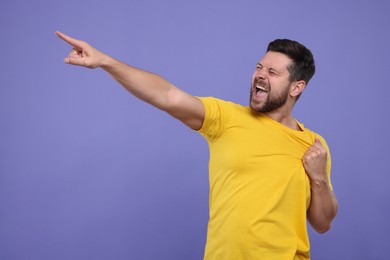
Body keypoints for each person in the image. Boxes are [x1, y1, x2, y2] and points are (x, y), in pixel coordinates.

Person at [55, 31, 338, 259]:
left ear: (296, 87)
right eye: (258, 67)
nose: (260, 75)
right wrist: (106, 61)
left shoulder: (313, 144)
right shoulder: (226, 118)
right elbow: (167, 96)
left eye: (273, 72)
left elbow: (322, 223)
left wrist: (319, 178)